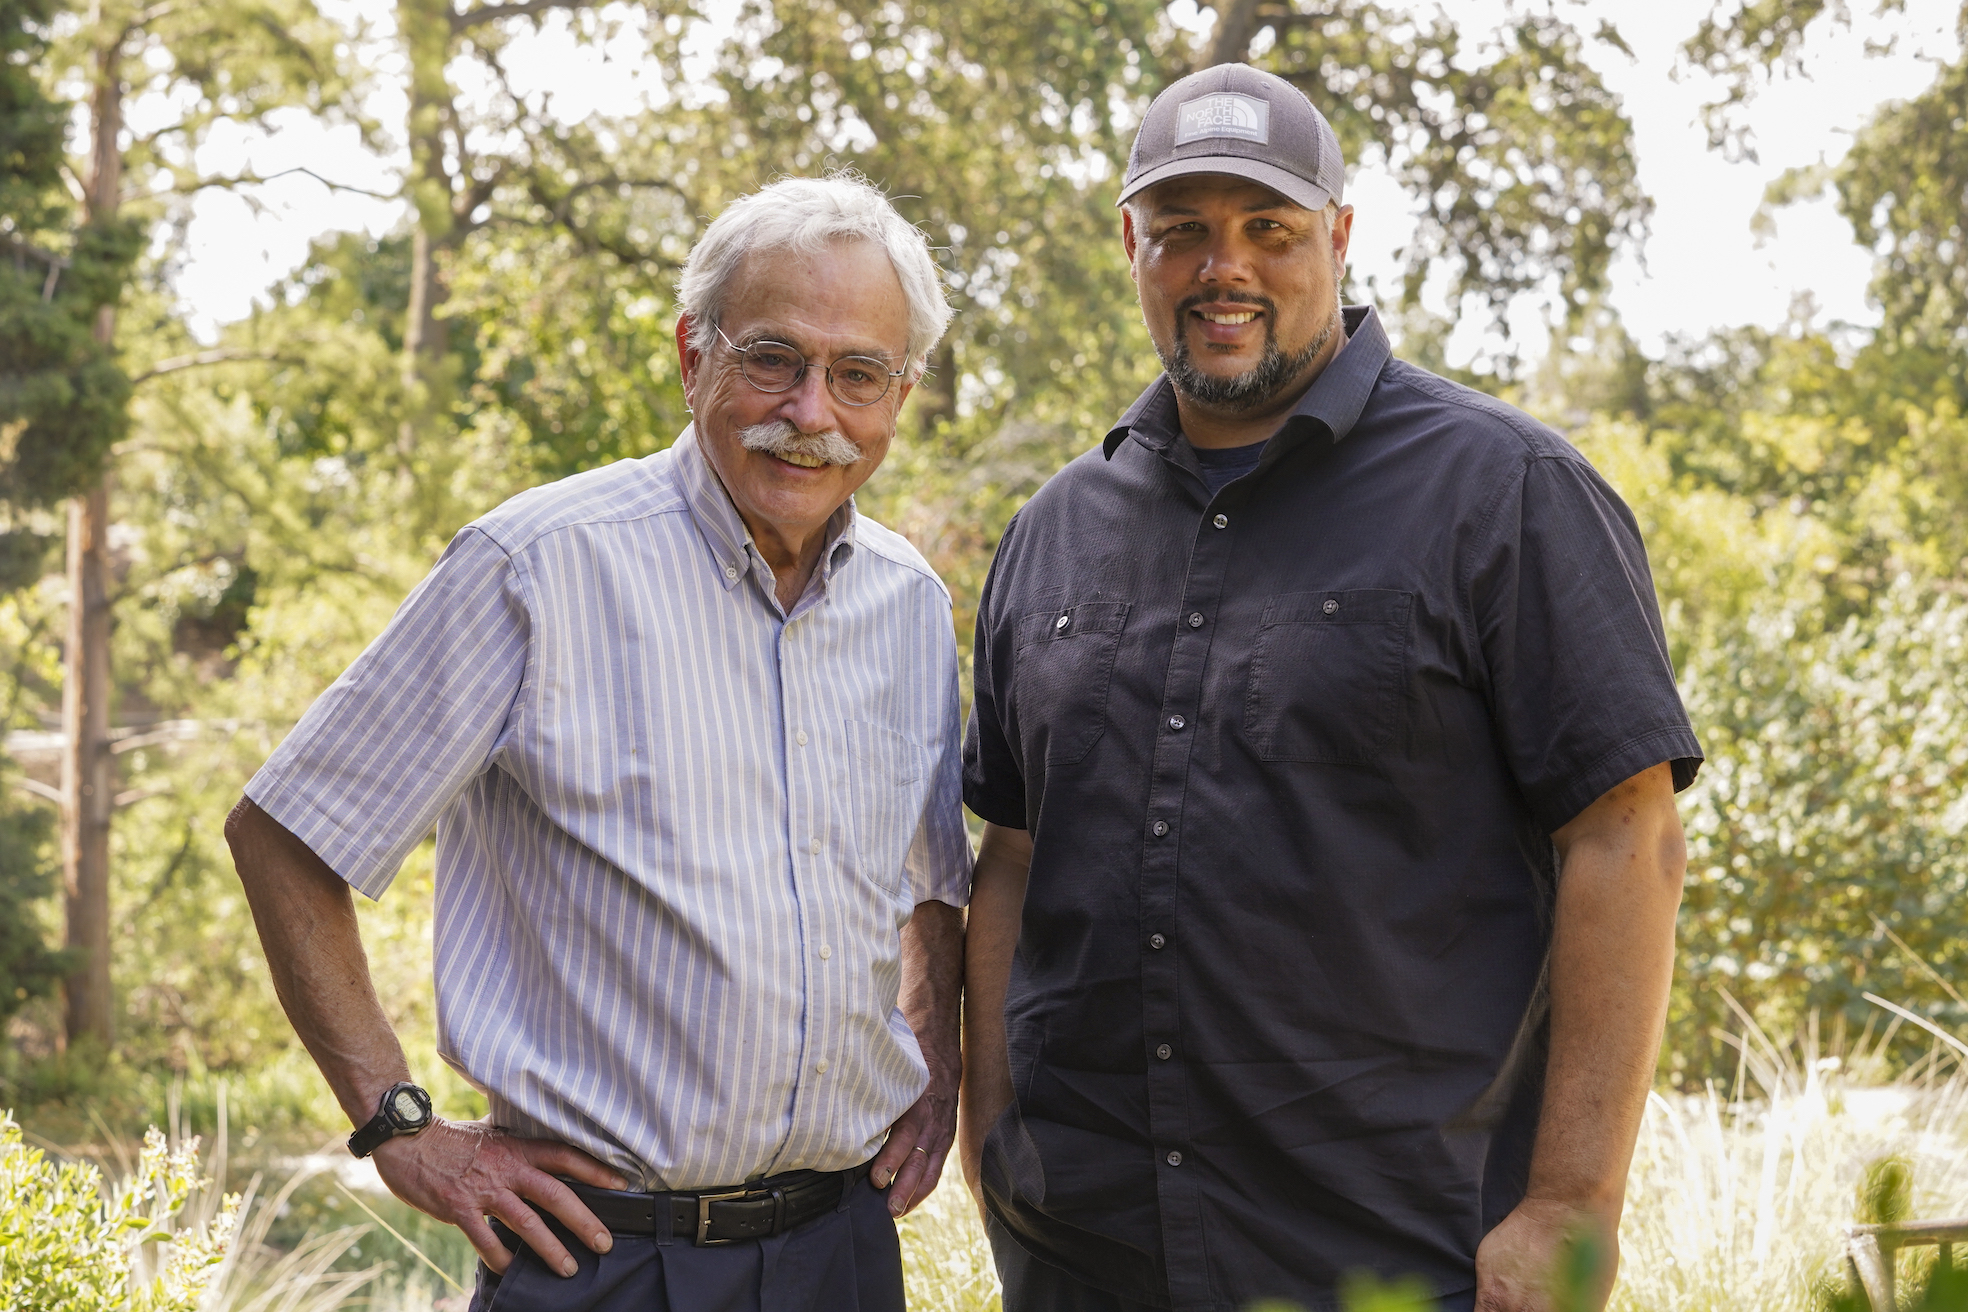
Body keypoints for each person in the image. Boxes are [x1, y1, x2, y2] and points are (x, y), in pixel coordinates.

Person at [958, 64, 1700, 1312]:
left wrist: (1573, 1208)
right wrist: (997, 1146)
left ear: (1340, 239)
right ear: (1132, 243)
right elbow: (1016, 855)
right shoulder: (1053, 534)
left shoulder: (1508, 492)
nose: (1222, 268)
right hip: (1087, 1257)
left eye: (1269, 229)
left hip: (1395, 1258)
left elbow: (1627, 837)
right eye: (1183, 230)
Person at [225, 172, 972, 1312]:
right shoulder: (536, 568)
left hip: (840, 1255)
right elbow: (286, 833)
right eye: (772, 357)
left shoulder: (911, 605)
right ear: (692, 356)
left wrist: (935, 1074)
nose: (812, 411)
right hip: (597, 1261)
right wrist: (398, 1125)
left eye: (857, 374)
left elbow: (930, 885)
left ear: (900, 394)